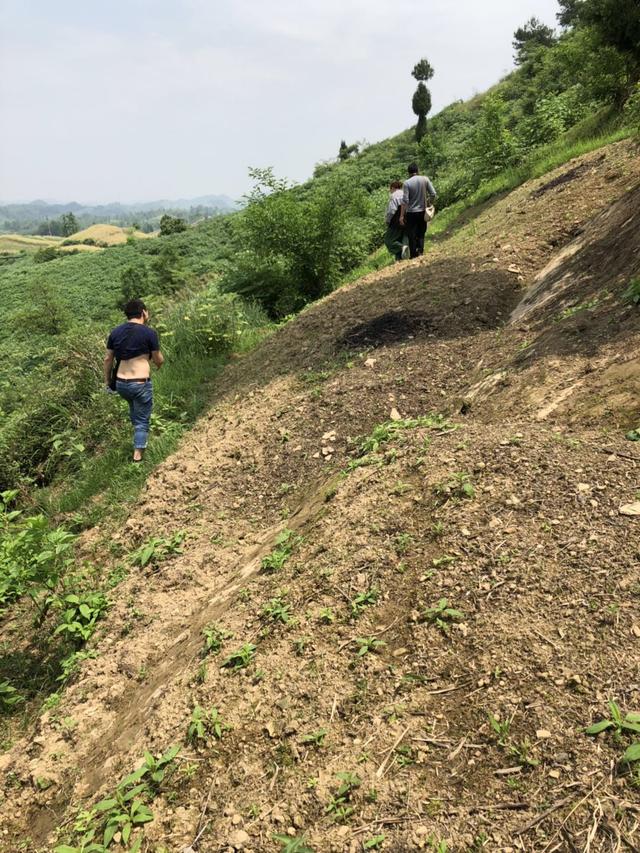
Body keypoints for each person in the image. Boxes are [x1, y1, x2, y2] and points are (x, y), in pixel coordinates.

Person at [104, 299, 164, 462]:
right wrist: (158, 363)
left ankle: (138, 436)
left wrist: (108, 381)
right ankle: (137, 456)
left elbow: (108, 359)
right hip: (140, 382)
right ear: (143, 312)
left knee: (135, 412)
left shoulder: (115, 332)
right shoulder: (149, 333)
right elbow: (158, 359)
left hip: (122, 384)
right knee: (142, 420)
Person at [399, 162, 437, 259]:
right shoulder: (425, 179)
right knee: (421, 232)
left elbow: (405, 201)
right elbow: (433, 193)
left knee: (412, 234)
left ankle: (413, 255)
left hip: (411, 213)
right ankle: (420, 252)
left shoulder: (407, 183)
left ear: (409, 172)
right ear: (418, 170)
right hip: (422, 211)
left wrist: (402, 216)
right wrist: (429, 203)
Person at [384, 181, 410, 261]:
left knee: (388, 240)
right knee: (403, 237)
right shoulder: (405, 193)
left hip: (396, 220)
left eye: (390, 189)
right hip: (408, 218)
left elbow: (391, 211)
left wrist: (387, 221)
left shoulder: (394, 196)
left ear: (392, 188)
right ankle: (402, 257)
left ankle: (401, 247)